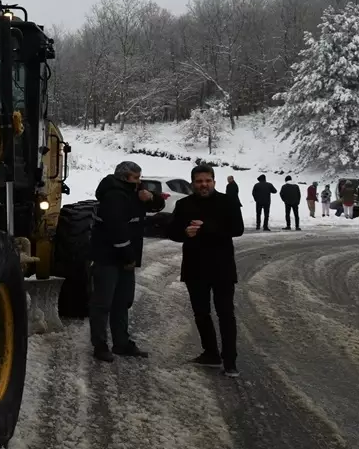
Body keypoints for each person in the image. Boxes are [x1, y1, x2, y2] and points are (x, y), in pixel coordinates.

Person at [167, 164, 245, 377]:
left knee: (225, 314)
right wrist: (185, 232)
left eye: (207, 181)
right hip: (194, 267)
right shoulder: (184, 204)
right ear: (193, 183)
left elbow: (237, 229)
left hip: (222, 267)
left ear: (214, 182)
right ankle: (210, 353)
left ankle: (230, 360)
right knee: (201, 313)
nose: (204, 185)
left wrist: (206, 228)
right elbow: (172, 232)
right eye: (199, 181)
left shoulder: (227, 201)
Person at [88, 160, 165, 362]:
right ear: (124, 177)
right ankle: (100, 345)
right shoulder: (114, 195)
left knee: (123, 301)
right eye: (136, 178)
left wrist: (150, 197)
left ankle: (122, 343)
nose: (139, 182)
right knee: (103, 303)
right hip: (108, 258)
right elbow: (116, 230)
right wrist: (128, 256)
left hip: (125, 258)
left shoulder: (134, 191)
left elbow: (158, 205)